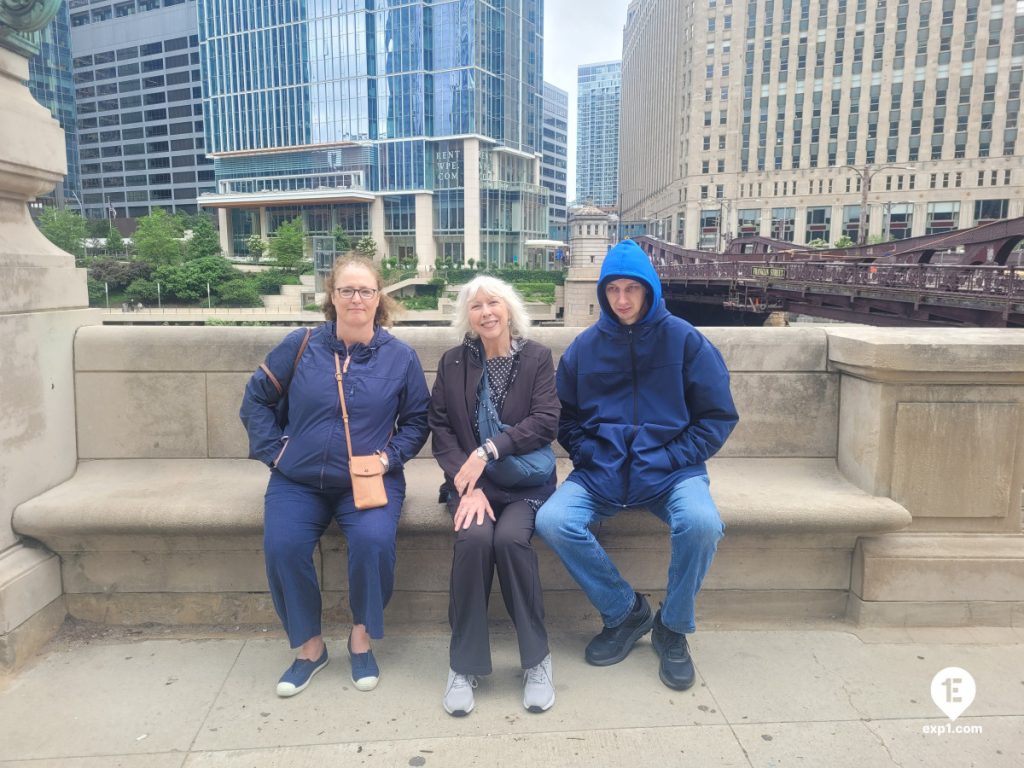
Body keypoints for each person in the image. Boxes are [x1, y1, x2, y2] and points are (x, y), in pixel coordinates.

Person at [535, 239, 738, 691]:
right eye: (613, 290)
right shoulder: (584, 348)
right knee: (553, 519)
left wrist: (670, 456)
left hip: (672, 470)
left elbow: (717, 417)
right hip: (602, 470)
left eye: (631, 288)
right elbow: (563, 417)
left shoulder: (685, 340)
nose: (622, 299)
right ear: (603, 293)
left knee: (702, 524)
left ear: (649, 289)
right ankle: (625, 611)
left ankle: (673, 627)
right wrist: (589, 453)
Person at [240, 255, 430, 697]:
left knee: (373, 543)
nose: (356, 298)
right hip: (297, 478)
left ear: (379, 298)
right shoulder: (301, 344)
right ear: (332, 296)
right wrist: (276, 453)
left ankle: (361, 637)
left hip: (367, 479)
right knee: (283, 547)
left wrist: (388, 459)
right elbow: (255, 400)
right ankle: (310, 648)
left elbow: (418, 421)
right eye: (347, 290)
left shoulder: (401, 357)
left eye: (365, 290)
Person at [429, 276, 560, 716]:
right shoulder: (452, 363)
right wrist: (467, 485)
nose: (486, 312)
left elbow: (546, 421)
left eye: (493, 303)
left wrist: (489, 450)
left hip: (525, 484)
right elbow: (441, 428)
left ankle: (537, 660)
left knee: (510, 540)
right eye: (476, 306)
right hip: (474, 487)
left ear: (509, 309)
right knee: (473, 540)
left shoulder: (537, 358)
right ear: (467, 316)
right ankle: (462, 664)